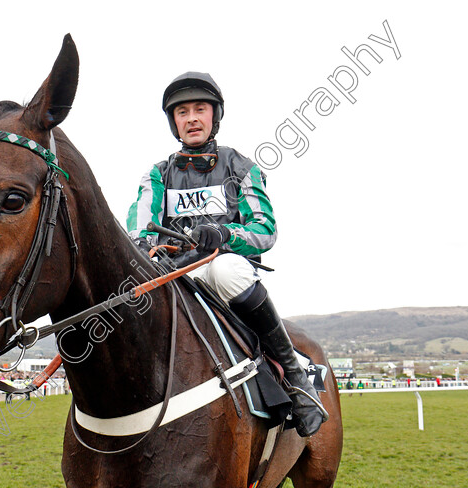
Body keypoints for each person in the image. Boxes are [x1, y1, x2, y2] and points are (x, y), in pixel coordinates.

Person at [126, 72, 326, 437]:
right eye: (182, 112)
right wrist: (142, 245)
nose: (191, 119)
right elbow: (141, 224)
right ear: (173, 122)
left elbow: (265, 231)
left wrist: (224, 233)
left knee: (227, 269)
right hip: (173, 275)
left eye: (199, 109)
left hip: (222, 272)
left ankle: (296, 379)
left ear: (214, 116)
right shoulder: (157, 174)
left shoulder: (241, 167)